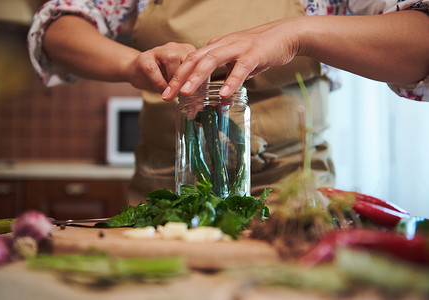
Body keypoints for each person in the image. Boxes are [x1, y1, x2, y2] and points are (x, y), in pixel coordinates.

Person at [28, 0, 429, 205]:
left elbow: (420, 39)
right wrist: (131, 64)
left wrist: (296, 34)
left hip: (293, 198)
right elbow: (58, 25)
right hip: (168, 198)